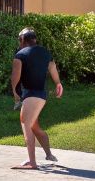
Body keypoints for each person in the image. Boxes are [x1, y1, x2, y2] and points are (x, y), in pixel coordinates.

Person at [9, 28, 63, 170]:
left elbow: (15, 76)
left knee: (26, 124)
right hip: (40, 95)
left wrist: (14, 92)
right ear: (34, 39)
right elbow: (53, 68)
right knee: (34, 126)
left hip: (31, 95)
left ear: (22, 40)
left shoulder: (20, 55)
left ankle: (32, 163)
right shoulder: (45, 52)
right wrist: (58, 83)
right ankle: (49, 155)